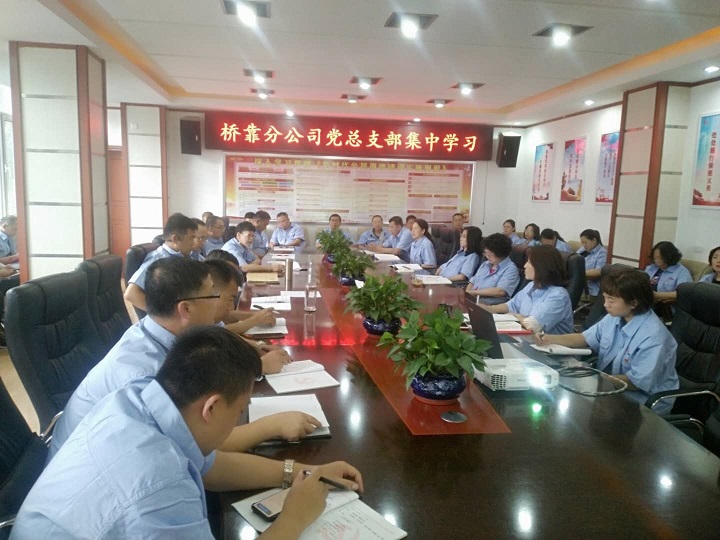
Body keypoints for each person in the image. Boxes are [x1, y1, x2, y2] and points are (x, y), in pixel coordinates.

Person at [14, 326, 363, 539]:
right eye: (239, 411)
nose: (238, 420)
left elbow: (212, 467)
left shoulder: (138, 396)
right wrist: (294, 518)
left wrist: (305, 472)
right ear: (211, 408)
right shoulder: (160, 486)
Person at [50, 257, 300, 460]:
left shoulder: (158, 331)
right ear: (185, 309)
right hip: (96, 482)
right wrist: (273, 426)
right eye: (213, 295)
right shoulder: (148, 374)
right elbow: (197, 448)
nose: (221, 304)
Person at [538, 268, 679, 414]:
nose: (605, 304)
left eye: (611, 300)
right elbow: (584, 338)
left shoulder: (653, 337)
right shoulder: (615, 317)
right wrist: (547, 339)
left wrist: (594, 378)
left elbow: (636, 383)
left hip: (641, 403)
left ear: (633, 303)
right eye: (605, 298)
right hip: (610, 390)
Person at [482, 245, 573, 334]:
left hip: (548, 343)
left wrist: (515, 316)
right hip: (526, 338)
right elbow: (511, 305)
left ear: (541, 266)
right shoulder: (531, 285)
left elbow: (533, 326)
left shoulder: (558, 295)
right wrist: (488, 309)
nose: (525, 266)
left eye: (529, 262)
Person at [125, 213, 197, 312]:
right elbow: (131, 294)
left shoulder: (181, 256)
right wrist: (162, 316)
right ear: (175, 239)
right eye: (191, 238)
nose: (194, 243)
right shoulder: (158, 259)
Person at [466, 233, 520, 303]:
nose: (487, 256)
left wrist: (473, 293)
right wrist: (467, 293)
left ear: (500, 252)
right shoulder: (485, 264)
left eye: (490, 254)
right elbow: (472, 282)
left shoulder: (511, 269)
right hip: (473, 299)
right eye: (485, 253)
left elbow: (500, 291)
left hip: (487, 303)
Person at [577, 229, 608, 298]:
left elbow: (598, 271)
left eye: (585, 242)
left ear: (594, 240)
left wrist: (578, 273)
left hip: (591, 290)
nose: (583, 245)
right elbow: (574, 260)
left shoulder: (602, 253)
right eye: (582, 243)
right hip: (579, 285)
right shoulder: (583, 249)